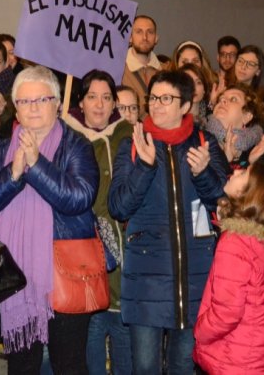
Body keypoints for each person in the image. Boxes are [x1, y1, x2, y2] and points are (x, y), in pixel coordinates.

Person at [0, 65, 100, 374]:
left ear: (57, 103)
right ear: (16, 108)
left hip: (64, 274)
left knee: (68, 364)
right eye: (25, 102)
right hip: (14, 277)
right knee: (21, 367)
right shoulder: (1, 148)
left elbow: (79, 198)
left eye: (41, 100)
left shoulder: (77, 145)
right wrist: (14, 174)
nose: (33, 108)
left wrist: (37, 165)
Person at [108, 70, 227, 374]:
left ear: (186, 106)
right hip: (147, 276)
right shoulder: (132, 144)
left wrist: (204, 175)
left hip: (196, 275)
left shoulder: (204, 142)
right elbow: (118, 206)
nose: (157, 105)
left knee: (183, 364)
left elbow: (226, 202)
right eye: (153, 98)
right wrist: (145, 168)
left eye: (166, 99)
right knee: (146, 366)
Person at [193, 161, 264, 374]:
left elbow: (227, 313)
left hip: (234, 357)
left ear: (251, 195)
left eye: (244, 173)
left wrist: (199, 331)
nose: (236, 170)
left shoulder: (236, 242)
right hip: (256, 355)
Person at [63, 70, 134, 375]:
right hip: (83, 246)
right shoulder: (67, 136)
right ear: (81, 100)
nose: (100, 105)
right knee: (91, 326)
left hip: (123, 244)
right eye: (92, 96)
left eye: (107, 98)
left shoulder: (128, 135)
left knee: (121, 325)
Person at [207, 83, 264, 165]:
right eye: (221, 99)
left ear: (246, 116)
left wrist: (250, 164)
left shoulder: (256, 151)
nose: (223, 101)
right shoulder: (199, 137)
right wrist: (225, 161)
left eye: (233, 99)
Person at [122, 15, 165, 114]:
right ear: (130, 37)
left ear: (156, 38)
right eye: (139, 32)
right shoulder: (118, 70)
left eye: (150, 32)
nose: (145, 37)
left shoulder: (167, 71)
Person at [178, 63, 212, 128]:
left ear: (204, 89)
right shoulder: (172, 118)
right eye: (188, 82)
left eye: (198, 82)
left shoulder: (211, 119)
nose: (194, 87)